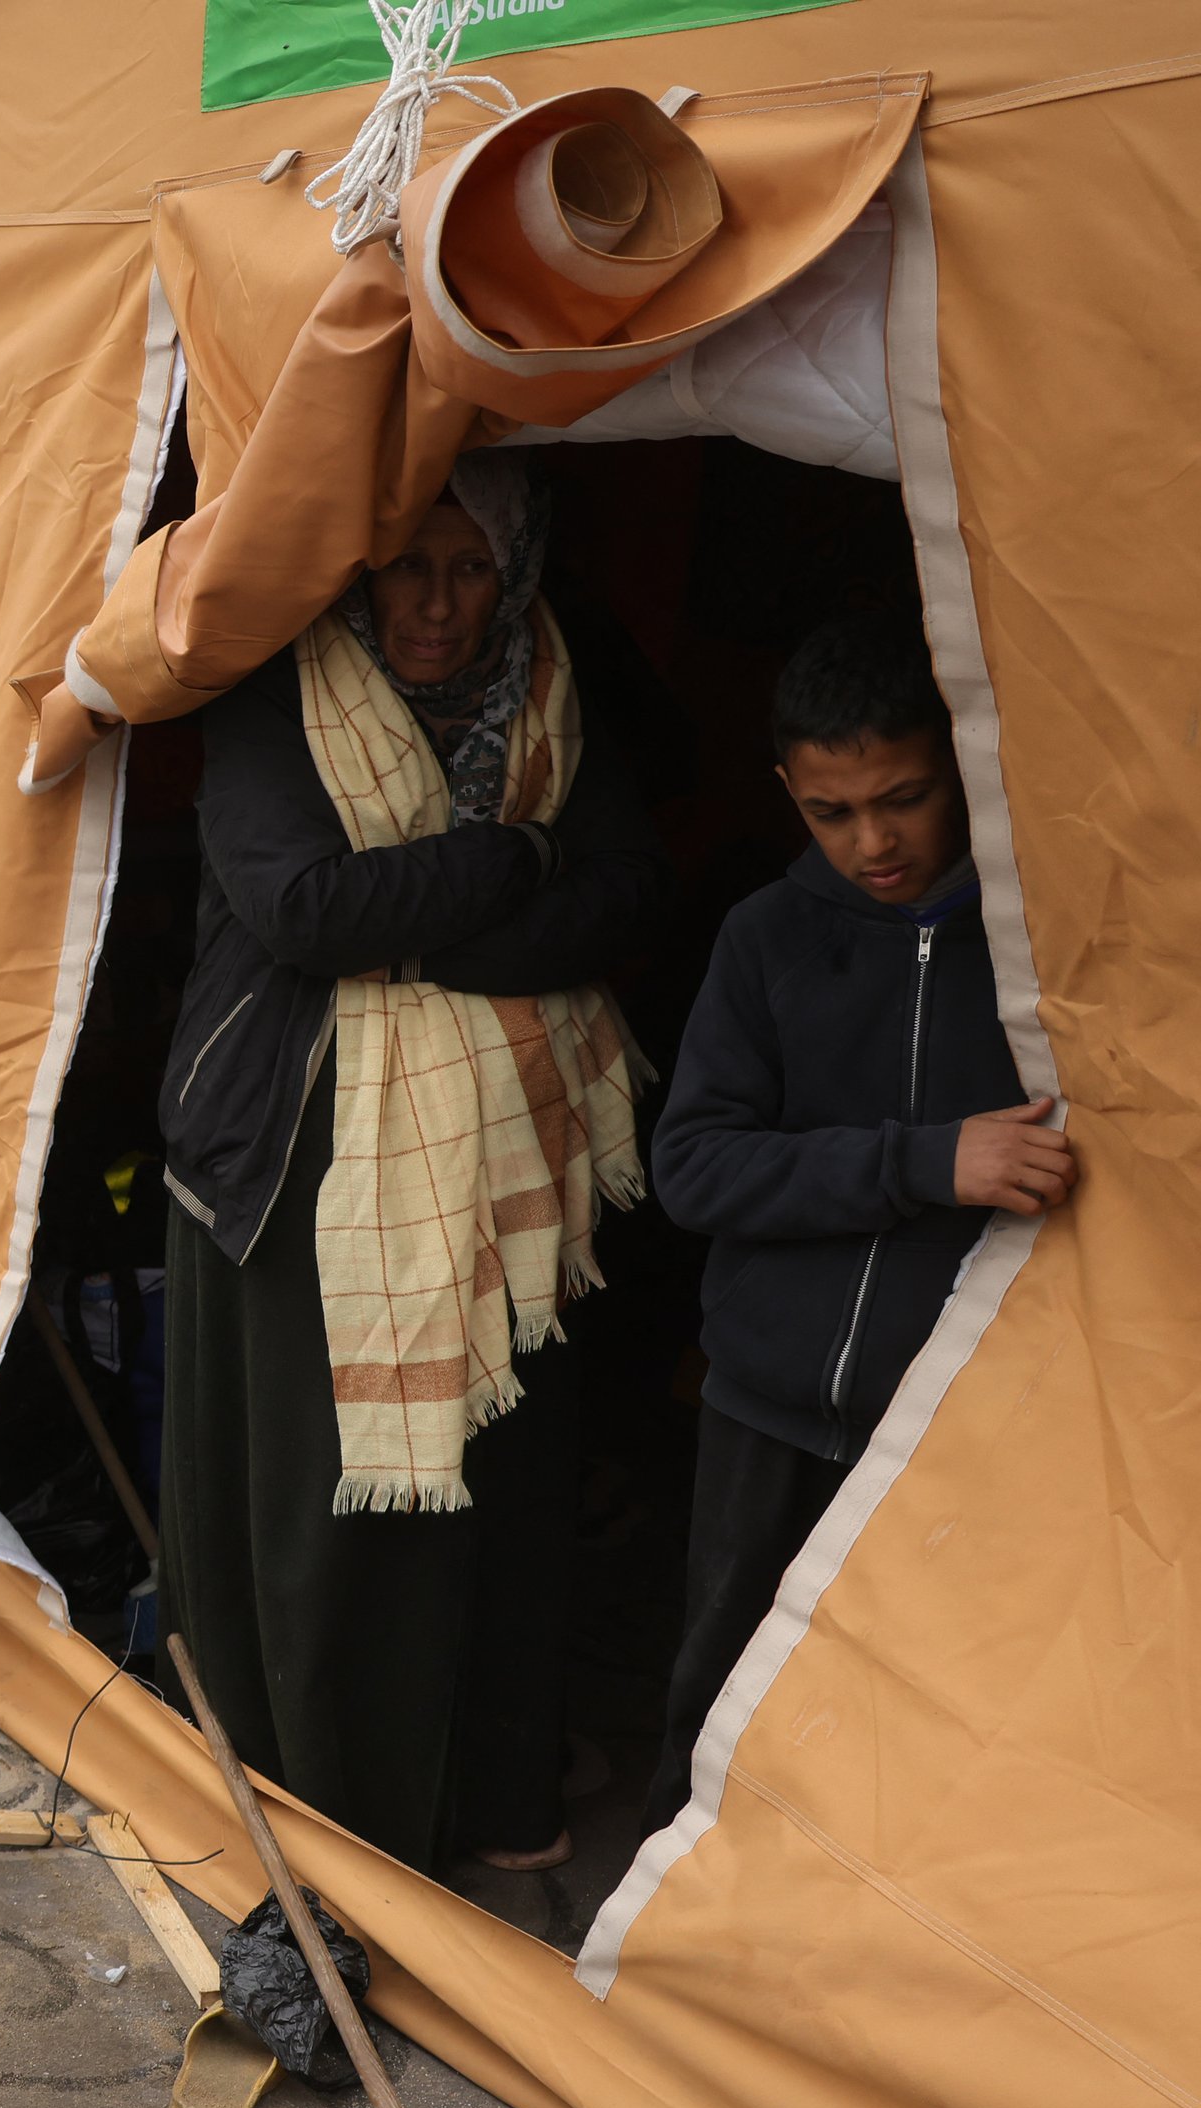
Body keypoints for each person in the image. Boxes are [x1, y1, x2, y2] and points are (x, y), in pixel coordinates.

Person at [156, 450, 665, 1875]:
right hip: (299, 1165)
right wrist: (519, 864)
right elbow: (306, 907)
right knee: (344, 1530)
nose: (435, 604)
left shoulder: (562, 678)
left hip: (511, 1185)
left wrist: (431, 919)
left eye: (470, 568)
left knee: (496, 1521)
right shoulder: (279, 691)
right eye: (407, 564)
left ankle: (489, 1801)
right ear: (357, 564)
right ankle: (334, 1819)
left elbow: (628, 889)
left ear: (516, 575)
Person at [639, 616, 1067, 1831]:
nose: (873, 841)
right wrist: (930, 1161)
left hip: (955, 1419)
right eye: (831, 811)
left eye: (905, 798)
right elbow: (695, 1170)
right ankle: (654, 1949)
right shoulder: (765, 937)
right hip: (764, 1402)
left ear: (966, 762)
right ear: (787, 791)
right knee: (718, 1693)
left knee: (911, 1718)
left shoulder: (1043, 946)